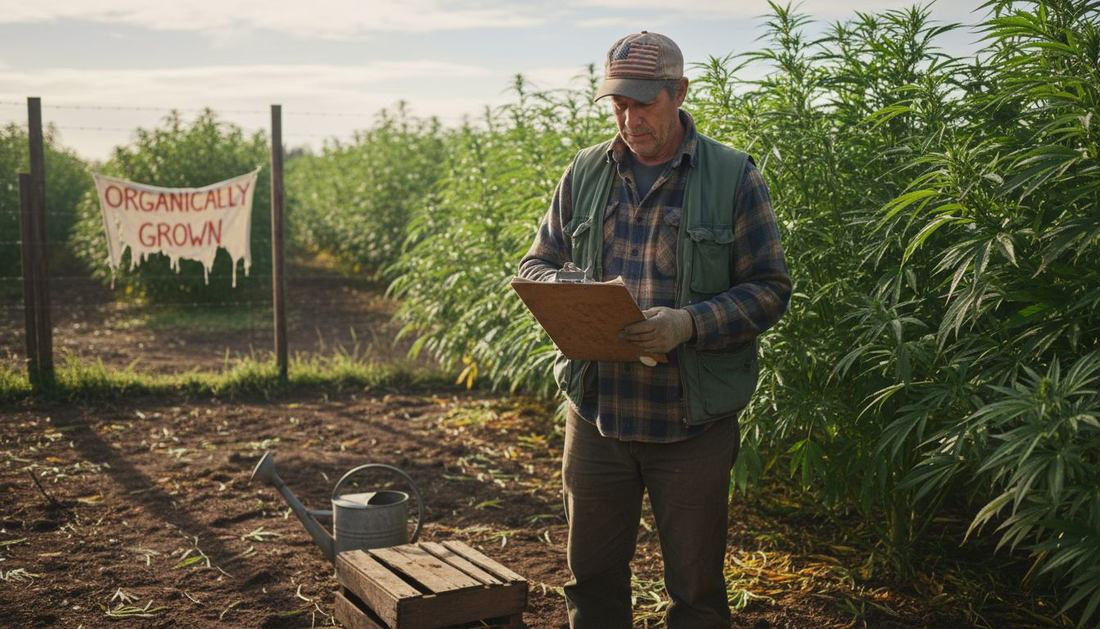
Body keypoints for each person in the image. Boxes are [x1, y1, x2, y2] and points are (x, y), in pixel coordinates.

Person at [517, 31, 792, 628]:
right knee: (590, 583)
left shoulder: (732, 176)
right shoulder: (587, 170)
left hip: (691, 422)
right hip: (598, 416)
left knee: (696, 594)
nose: (629, 118)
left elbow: (770, 289)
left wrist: (687, 324)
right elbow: (535, 264)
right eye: (619, 103)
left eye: (644, 103)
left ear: (680, 93)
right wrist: (579, 298)